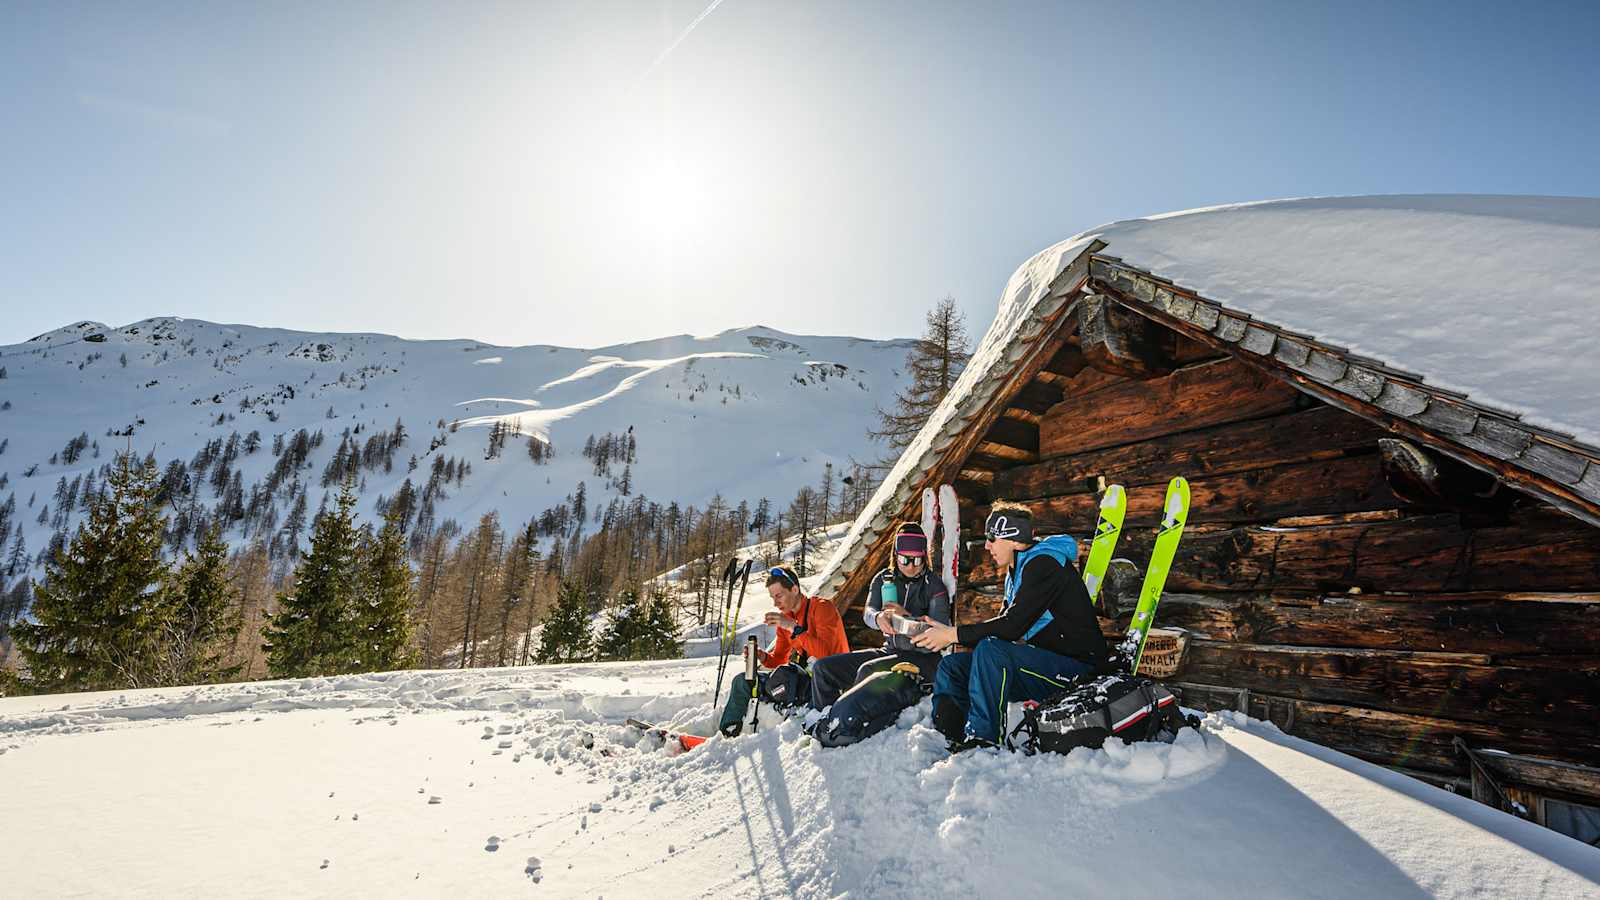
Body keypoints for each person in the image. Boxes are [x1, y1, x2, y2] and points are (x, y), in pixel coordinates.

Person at [911, 501, 1107, 751]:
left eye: (992, 538)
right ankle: (949, 735)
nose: (987, 545)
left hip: (1079, 672)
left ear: (1015, 540)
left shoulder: (1043, 564)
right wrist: (944, 631)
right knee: (953, 666)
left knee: (992, 650)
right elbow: (1004, 627)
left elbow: (1012, 627)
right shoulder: (1017, 571)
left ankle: (982, 741)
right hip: (1043, 667)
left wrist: (952, 635)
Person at [809, 522, 950, 710]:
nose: (910, 566)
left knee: (867, 672)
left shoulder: (934, 586)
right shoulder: (883, 580)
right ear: (895, 555)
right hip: (890, 651)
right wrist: (878, 618)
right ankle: (826, 722)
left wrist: (905, 617)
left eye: (917, 560)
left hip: (924, 659)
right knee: (823, 669)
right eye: (904, 560)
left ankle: (848, 725)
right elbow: (868, 612)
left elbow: (937, 631)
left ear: (924, 557)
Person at [718, 565, 849, 736]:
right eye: (772, 597)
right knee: (742, 681)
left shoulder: (822, 608)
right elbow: (779, 659)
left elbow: (826, 655)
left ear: (794, 589)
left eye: (779, 595)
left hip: (830, 683)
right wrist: (762, 656)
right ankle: (727, 734)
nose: (775, 602)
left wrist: (792, 627)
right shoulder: (786, 620)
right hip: (801, 682)